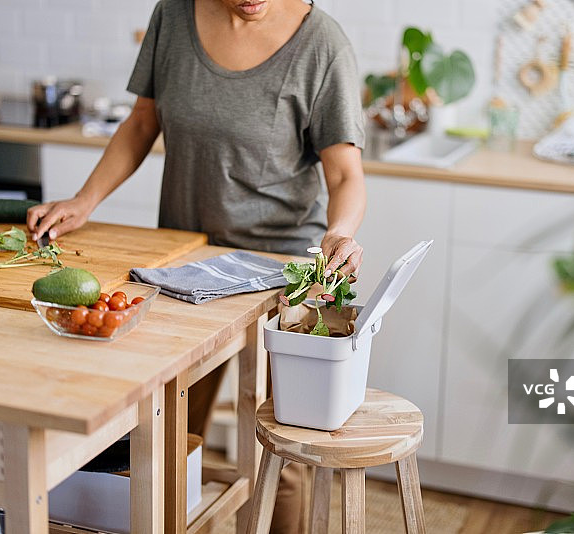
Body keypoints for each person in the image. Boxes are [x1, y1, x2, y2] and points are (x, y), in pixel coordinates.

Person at [27, 0, 367, 531]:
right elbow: (143, 122)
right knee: (168, 429)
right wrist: (84, 201)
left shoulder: (322, 44)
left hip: (283, 269)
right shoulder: (174, 16)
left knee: (285, 448)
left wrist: (340, 233)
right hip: (187, 266)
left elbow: (345, 172)